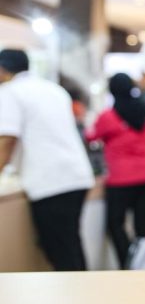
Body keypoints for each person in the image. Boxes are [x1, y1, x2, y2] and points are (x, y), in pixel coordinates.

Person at [0, 49, 95, 270]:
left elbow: (7, 140)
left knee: (62, 252)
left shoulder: (10, 92)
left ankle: (78, 292)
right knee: (70, 246)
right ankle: (83, 289)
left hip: (50, 181)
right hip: (76, 175)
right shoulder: (53, 89)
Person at [86, 73, 145, 269]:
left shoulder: (108, 116)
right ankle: (144, 264)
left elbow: (91, 137)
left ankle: (127, 263)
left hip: (120, 179)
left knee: (115, 224)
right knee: (144, 228)